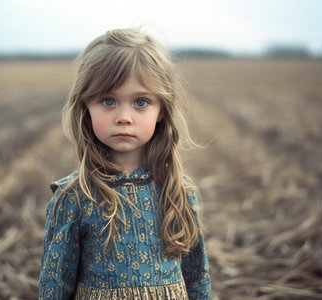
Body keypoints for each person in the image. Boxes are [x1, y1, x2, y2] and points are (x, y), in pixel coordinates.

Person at [39, 28, 211, 300]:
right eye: (108, 101)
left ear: (162, 110)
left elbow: (197, 278)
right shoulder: (73, 198)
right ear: (86, 106)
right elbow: (54, 286)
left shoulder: (180, 192)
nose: (124, 117)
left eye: (140, 102)